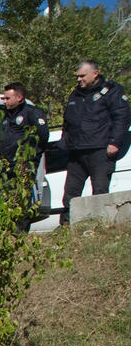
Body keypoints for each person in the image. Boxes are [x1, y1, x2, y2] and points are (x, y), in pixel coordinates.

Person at [61, 61, 129, 224]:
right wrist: (65, 143)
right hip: (77, 151)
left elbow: (122, 118)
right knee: (70, 193)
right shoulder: (76, 94)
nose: (78, 79)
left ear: (95, 74)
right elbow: (68, 122)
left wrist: (114, 143)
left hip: (100, 150)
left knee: (100, 192)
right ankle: (66, 227)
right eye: (77, 76)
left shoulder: (112, 91)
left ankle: (101, 226)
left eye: (82, 76)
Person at [0, 83, 51, 231]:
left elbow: (43, 135)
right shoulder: (6, 115)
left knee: (22, 197)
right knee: (8, 198)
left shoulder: (32, 113)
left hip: (24, 163)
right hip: (7, 163)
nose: (5, 101)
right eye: (3, 98)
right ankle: (9, 230)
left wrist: (32, 156)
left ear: (19, 97)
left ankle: (20, 231)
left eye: (8, 98)